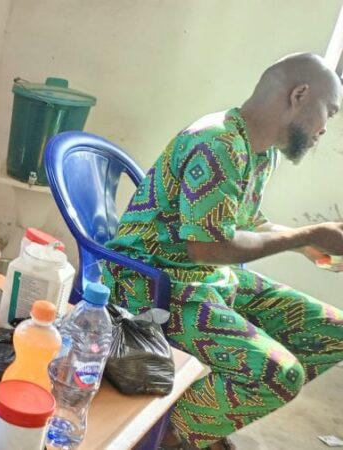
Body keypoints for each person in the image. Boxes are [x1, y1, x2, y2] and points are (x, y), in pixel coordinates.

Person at [104, 53, 343, 449]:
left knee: (332, 330)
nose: (325, 128)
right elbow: (208, 246)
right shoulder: (216, 143)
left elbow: (247, 223)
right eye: (329, 112)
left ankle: (204, 418)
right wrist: (303, 235)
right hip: (151, 281)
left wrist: (308, 243)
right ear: (299, 95)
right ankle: (160, 435)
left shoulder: (261, 150)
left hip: (205, 279)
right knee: (280, 374)